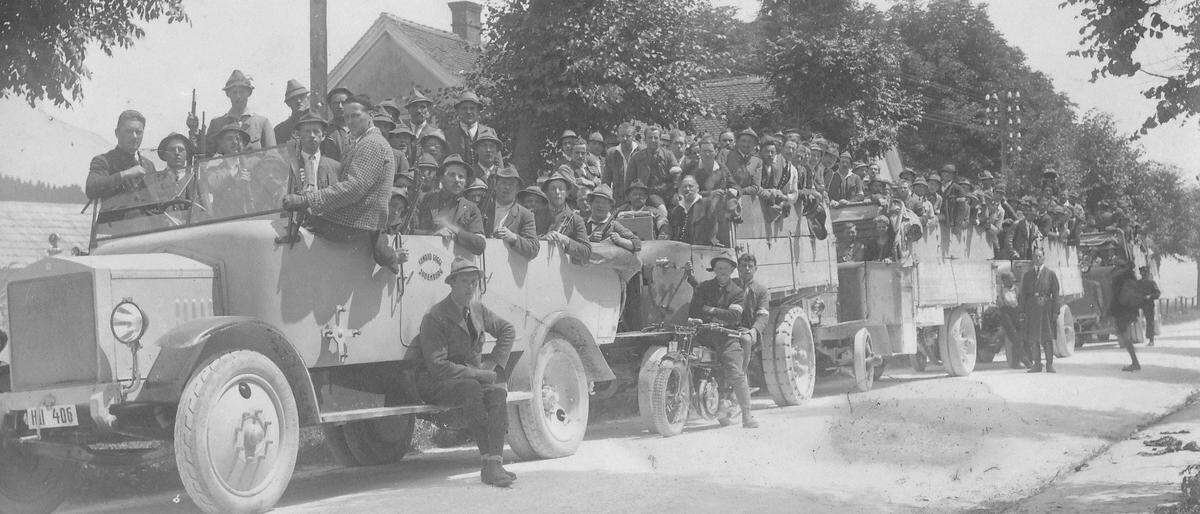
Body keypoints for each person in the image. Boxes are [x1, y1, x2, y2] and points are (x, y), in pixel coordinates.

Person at [414, 256, 516, 487]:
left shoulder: (477, 309)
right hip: (435, 382)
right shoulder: (435, 316)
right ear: (452, 283)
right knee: (472, 388)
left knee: (498, 393)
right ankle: (486, 463)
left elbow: (507, 330)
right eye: (465, 282)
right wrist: (480, 374)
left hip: (469, 378)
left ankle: (495, 464)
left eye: (474, 282)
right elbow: (438, 366)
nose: (471, 287)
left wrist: (493, 366)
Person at [282, 95, 399, 273]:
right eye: (347, 117)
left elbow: (354, 188)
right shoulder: (365, 142)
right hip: (362, 219)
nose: (350, 121)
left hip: (357, 221)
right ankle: (384, 252)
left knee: (299, 228)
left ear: (371, 115)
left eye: (356, 115)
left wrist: (306, 200)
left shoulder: (371, 144)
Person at [684, 253, 758, 429]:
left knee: (735, 371)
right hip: (704, 336)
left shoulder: (738, 292)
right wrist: (710, 314)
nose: (722, 272)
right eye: (719, 269)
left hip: (727, 336)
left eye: (726, 269)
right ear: (714, 271)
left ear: (732, 270)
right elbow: (694, 310)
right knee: (686, 359)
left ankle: (747, 416)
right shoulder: (704, 288)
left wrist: (709, 310)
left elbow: (733, 316)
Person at [413, 154, 487, 255]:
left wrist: (452, 228)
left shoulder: (471, 209)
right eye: (452, 175)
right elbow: (408, 232)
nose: (457, 180)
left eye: (461, 177)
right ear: (442, 178)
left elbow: (480, 245)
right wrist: (432, 234)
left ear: (465, 182)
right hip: (425, 260)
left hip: (458, 264)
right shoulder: (424, 200)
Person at [86, 110, 156, 204]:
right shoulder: (103, 160)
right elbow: (91, 189)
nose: (134, 136)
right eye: (129, 131)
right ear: (117, 133)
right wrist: (125, 174)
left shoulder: (149, 165)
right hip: (115, 218)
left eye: (138, 132)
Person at [204, 70, 275, 155]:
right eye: (234, 92)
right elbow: (206, 157)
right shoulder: (216, 124)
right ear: (228, 94)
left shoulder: (262, 123)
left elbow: (273, 157)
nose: (238, 96)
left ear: (249, 93)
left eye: (241, 92)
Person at [477, 165, 538, 259]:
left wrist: (513, 238)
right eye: (503, 183)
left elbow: (533, 249)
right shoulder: (482, 209)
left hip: (508, 268)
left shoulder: (525, 215)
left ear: (518, 189)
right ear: (496, 186)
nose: (507, 187)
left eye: (512, 184)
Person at [1019, 246, 1060, 373]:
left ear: (1044, 258)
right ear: (1033, 258)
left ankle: (1049, 364)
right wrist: (1022, 311)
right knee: (1033, 338)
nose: (1037, 258)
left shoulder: (1050, 274)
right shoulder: (1027, 275)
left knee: (1047, 338)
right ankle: (1037, 364)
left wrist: (1055, 311)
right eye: (1035, 256)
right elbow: (1023, 295)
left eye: (1040, 256)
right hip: (1032, 310)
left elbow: (1056, 294)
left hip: (1046, 309)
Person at [541, 171, 592, 262]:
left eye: (561, 188)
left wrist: (565, 240)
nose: (557, 192)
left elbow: (586, 252)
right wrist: (542, 239)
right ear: (547, 193)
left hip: (563, 272)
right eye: (553, 189)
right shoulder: (536, 215)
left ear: (567, 193)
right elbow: (523, 238)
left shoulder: (576, 220)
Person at [734, 253, 771, 379]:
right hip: (728, 327)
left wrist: (754, 330)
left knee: (745, 340)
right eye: (744, 266)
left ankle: (741, 377)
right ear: (738, 268)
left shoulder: (761, 291)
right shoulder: (730, 285)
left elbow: (763, 315)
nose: (747, 269)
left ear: (756, 269)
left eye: (750, 266)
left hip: (746, 329)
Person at [287, 112, 343, 192]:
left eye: (316, 131)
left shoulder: (336, 167)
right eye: (307, 131)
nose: (312, 135)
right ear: (298, 135)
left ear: (323, 136)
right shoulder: (290, 167)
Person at [630, 125, 679, 206]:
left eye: (656, 138)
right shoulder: (636, 158)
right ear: (645, 140)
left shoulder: (668, 155)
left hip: (668, 194)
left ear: (660, 140)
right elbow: (629, 180)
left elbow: (676, 176)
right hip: (644, 196)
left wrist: (676, 193)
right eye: (650, 137)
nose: (653, 140)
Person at [583, 185, 640, 253]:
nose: (600, 206)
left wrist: (621, 241)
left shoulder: (614, 225)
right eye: (597, 202)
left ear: (610, 206)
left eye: (604, 203)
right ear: (591, 203)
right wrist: (589, 239)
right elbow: (570, 243)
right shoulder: (582, 223)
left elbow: (637, 244)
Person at [1110, 256, 1143, 371]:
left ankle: (1135, 363)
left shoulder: (1118, 277)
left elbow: (1115, 296)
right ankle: (1135, 362)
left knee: (1125, 337)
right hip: (1130, 310)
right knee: (1125, 337)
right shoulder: (1132, 276)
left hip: (1121, 311)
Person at [667, 175, 720, 246]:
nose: (687, 189)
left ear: (697, 188)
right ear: (681, 190)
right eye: (684, 187)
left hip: (701, 249)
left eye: (690, 186)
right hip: (681, 250)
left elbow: (713, 227)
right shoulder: (677, 210)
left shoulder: (707, 204)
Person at [445, 91, 490, 163]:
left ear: (478, 111)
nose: (468, 112)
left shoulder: (489, 133)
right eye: (464, 108)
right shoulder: (448, 135)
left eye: (472, 108)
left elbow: (498, 167)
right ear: (458, 111)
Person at [603, 122, 640, 204]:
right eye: (622, 136)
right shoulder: (611, 153)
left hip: (639, 199)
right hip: (618, 200)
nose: (625, 139)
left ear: (633, 137)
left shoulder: (641, 151)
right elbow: (606, 180)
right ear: (618, 137)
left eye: (628, 136)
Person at [725, 128, 762, 197]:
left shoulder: (757, 161)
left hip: (745, 200)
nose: (746, 144)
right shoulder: (727, 155)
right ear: (738, 142)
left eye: (750, 142)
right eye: (743, 141)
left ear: (755, 145)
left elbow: (755, 187)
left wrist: (739, 192)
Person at [320, 86, 354, 161]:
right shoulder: (325, 130)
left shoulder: (359, 128)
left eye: (344, 103)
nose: (340, 106)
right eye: (336, 103)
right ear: (330, 106)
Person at [274, 79, 310, 145]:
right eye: (294, 98)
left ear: (307, 98)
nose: (298, 101)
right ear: (288, 103)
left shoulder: (317, 124)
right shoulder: (280, 130)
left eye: (301, 96)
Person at [1139, 266, 1161, 346]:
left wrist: (1150, 296)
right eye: (1141, 273)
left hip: (1148, 305)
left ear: (1147, 273)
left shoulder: (1151, 283)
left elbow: (1157, 293)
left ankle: (1151, 340)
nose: (1142, 274)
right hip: (1139, 304)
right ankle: (1139, 338)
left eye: (1143, 272)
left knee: (1150, 322)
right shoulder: (1139, 283)